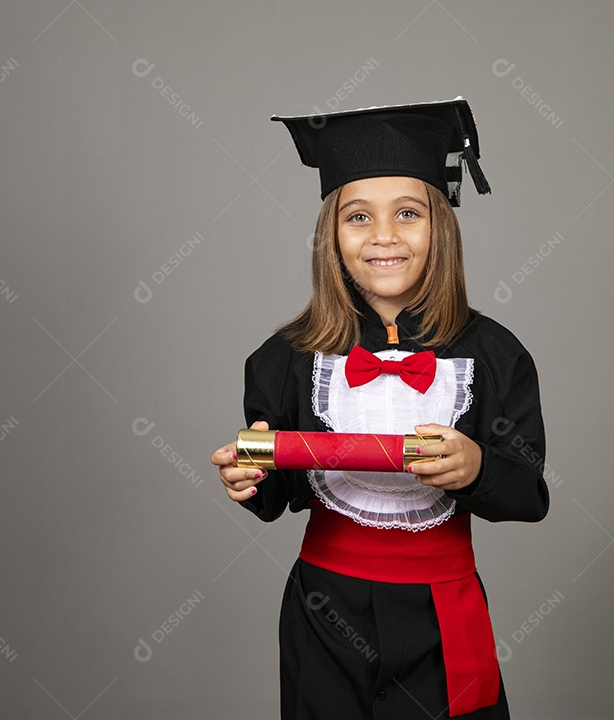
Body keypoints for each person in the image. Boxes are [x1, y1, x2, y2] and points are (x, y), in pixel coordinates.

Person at [210, 98, 549, 720]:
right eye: (358, 216)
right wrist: (248, 474)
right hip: (323, 614)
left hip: (440, 616)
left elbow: (528, 498)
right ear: (331, 237)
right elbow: (274, 495)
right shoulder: (284, 358)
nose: (383, 237)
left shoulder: (497, 355)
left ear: (440, 226)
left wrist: (476, 467)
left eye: (409, 214)